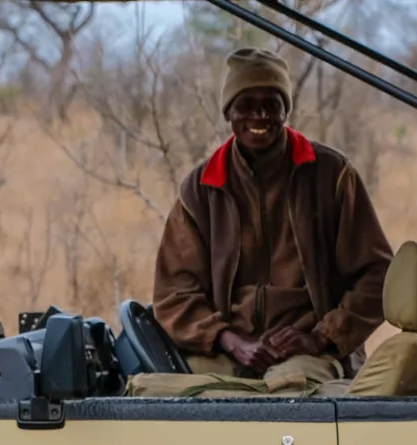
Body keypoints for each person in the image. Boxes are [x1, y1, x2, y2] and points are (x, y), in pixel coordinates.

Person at [152, 48, 392, 389]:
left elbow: (378, 274)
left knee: (290, 393)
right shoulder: (201, 187)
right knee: (182, 396)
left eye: (272, 103)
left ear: (285, 110)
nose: (260, 114)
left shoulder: (331, 174)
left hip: (311, 350)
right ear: (229, 112)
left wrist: (321, 336)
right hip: (228, 348)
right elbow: (174, 293)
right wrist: (229, 340)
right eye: (246, 104)